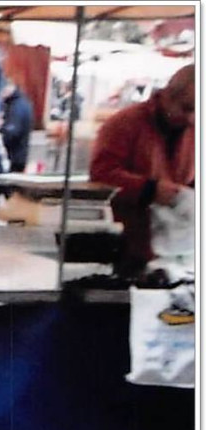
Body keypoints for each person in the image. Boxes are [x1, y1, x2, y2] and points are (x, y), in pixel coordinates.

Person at [90, 65, 195, 275]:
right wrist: (150, 190)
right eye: (187, 108)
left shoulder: (194, 131)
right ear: (167, 96)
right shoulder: (124, 124)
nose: (192, 118)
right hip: (125, 246)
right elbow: (101, 175)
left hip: (175, 253)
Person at [0, 79, 34, 173]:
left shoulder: (17, 106)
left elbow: (13, 131)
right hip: (19, 155)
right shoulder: (20, 103)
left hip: (14, 156)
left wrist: (1, 130)